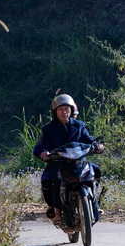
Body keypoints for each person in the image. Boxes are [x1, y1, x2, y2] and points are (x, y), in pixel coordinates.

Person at [33, 93, 105, 225]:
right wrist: (44, 153)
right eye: (60, 109)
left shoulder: (79, 125)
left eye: (67, 109)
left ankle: (93, 201)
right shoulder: (48, 130)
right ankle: (57, 212)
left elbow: (89, 140)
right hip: (58, 163)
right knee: (51, 179)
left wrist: (97, 146)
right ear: (55, 112)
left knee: (97, 171)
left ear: (71, 110)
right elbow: (42, 147)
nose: (64, 112)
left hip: (79, 162)